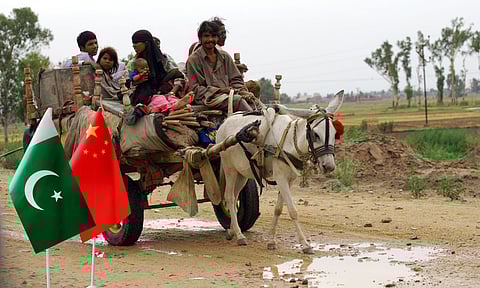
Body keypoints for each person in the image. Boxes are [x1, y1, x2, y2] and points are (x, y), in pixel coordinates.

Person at [186, 21, 254, 112]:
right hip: (207, 98)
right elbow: (195, 89)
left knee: (253, 101)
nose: (210, 39)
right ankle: (256, 123)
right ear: (200, 38)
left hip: (229, 94)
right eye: (206, 36)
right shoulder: (193, 60)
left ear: (217, 38)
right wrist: (220, 91)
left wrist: (237, 90)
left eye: (213, 36)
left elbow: (236, 79)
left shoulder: (224, 56)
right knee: (238, 101)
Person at [128, 30, 184, 105]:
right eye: (133, 43)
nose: (133, 46)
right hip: (144, 90)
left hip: (164, 88)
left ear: (146, 43)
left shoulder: (164, 59)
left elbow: (177, 76)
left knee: (175, 74)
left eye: (136, 42)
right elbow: (128, 82)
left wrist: (172, 92)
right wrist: (136, 81)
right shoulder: (134, 62)